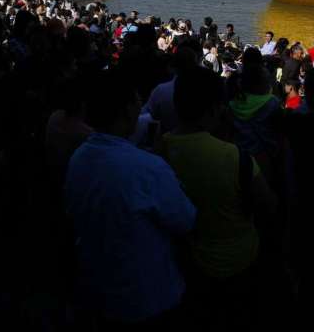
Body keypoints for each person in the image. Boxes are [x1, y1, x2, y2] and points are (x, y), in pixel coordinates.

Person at [65, 70, 196, 325]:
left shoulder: (78, 157)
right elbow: (185, 219)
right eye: (138, 101)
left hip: (98, 288)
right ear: (127, 111)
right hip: (149, 296)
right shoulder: (148, 167)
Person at [161, 68, 276, 326]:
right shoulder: (235, 157)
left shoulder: (159, 147)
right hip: (238, 261)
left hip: (185, 260)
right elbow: (268, 206)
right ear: (215, 108)